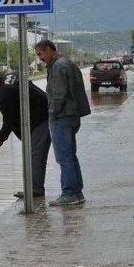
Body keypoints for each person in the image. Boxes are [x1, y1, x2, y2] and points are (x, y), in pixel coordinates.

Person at [34, 39, 91, 206]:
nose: (40, 58)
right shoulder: (66, 63)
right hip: (72, 116)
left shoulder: (58, 66)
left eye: (40, 54)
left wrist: (52, 114)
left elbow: (59, 95)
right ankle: (77, 192)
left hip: (62, 118)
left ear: (49, 50)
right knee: (70, 156)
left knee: (64, 157)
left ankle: (69, 193)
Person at [0, 72, 51, 198]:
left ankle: (35, 190)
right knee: (34, 155)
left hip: (41, 119)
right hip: (40, 115)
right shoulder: (9, 79)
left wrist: (0, 139)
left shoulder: (5, 93)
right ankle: (34, 188)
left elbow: (9, 120)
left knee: (35, 156)